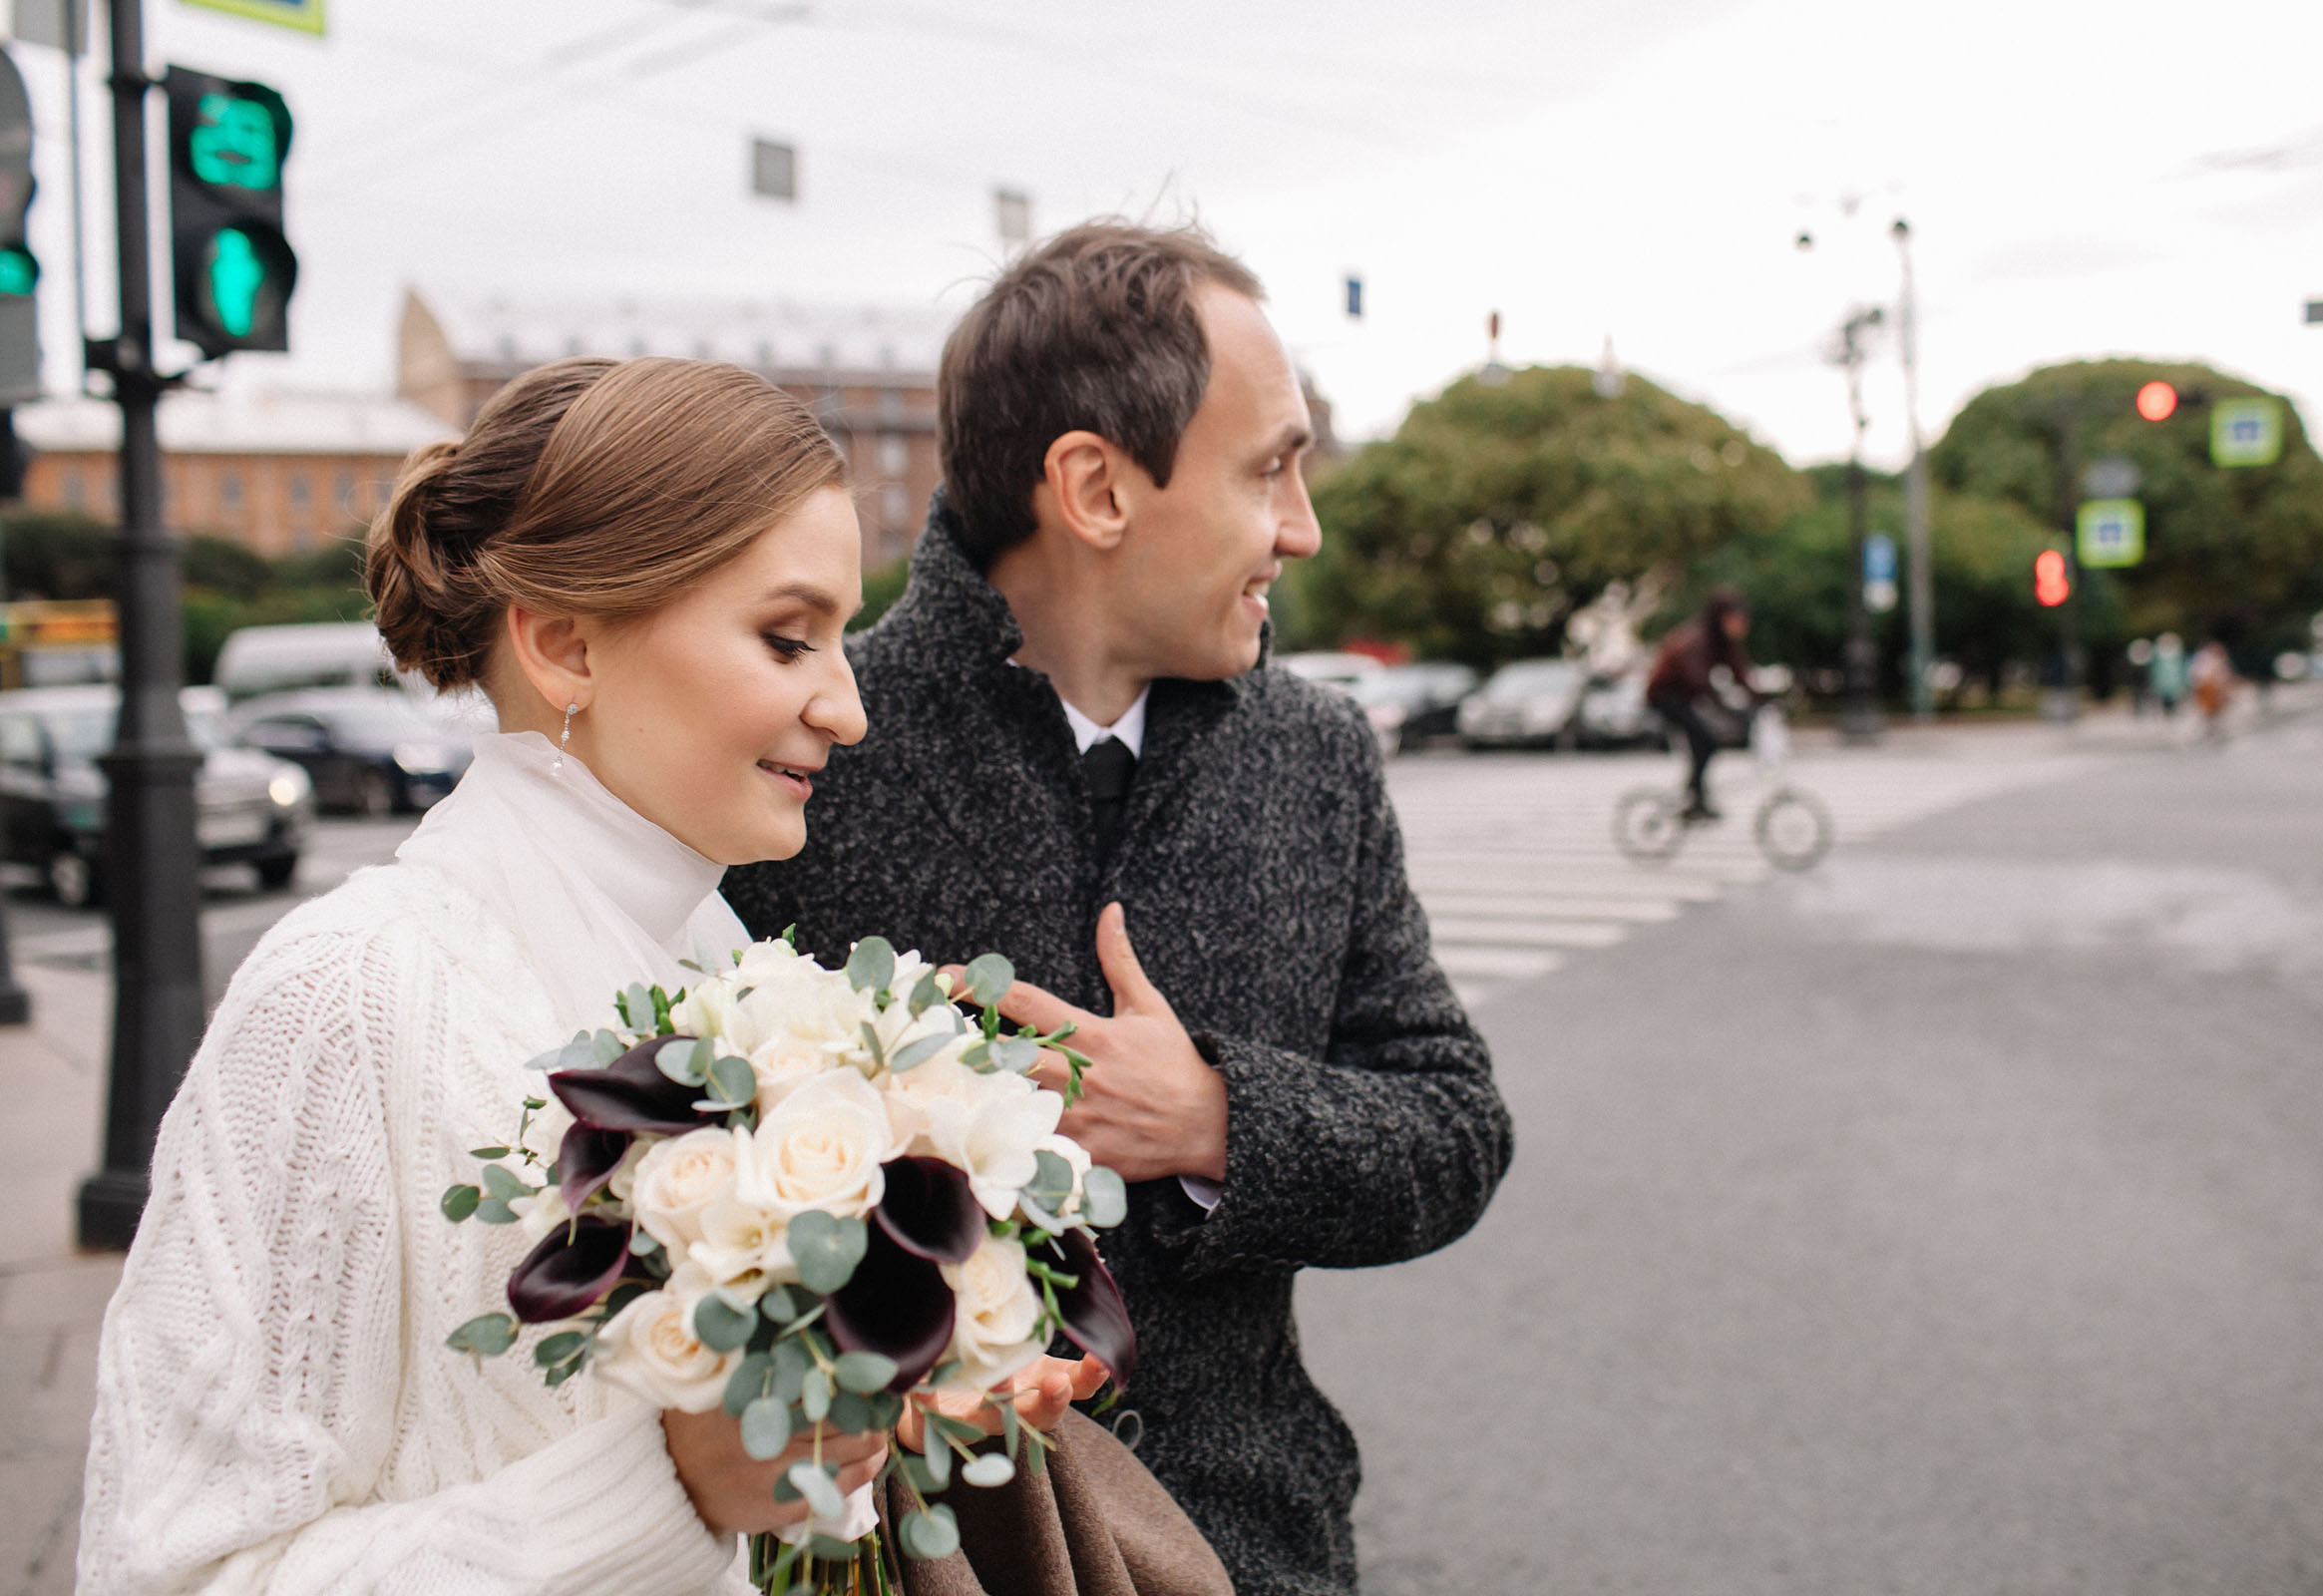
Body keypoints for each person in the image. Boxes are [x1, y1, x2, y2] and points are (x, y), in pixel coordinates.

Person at [76, 358, 1162, 1594]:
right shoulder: (346, 995)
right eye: (788, 638)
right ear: (564, 645)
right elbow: (166, 1573)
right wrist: (667, 1489)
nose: (850, 709)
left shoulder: (727, 962)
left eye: (841, 639)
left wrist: (892, 1395)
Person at [724, 222, 1513, 1596]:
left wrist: (1221, 1119)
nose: (1304, 527)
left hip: (1254, 1551)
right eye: (1268, 468)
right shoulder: (814, 747)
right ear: (1095, 488)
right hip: (904, 1564)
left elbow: (1456, 1128)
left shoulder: (1318, 756)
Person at [1645, 586, 1756, 819]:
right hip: (1665, 697)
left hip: (1684, 698)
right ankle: (1694, 794)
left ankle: (1695, 797)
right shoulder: (1697, 641)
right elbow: (1698, 681)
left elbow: (1741, 676)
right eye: (1736, 620)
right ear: (1721, 618)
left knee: (1705, 743)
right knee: (1707, 740)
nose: (1741, 626)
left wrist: (1764, 699)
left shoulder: (1722, 643)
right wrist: (1728, 710)